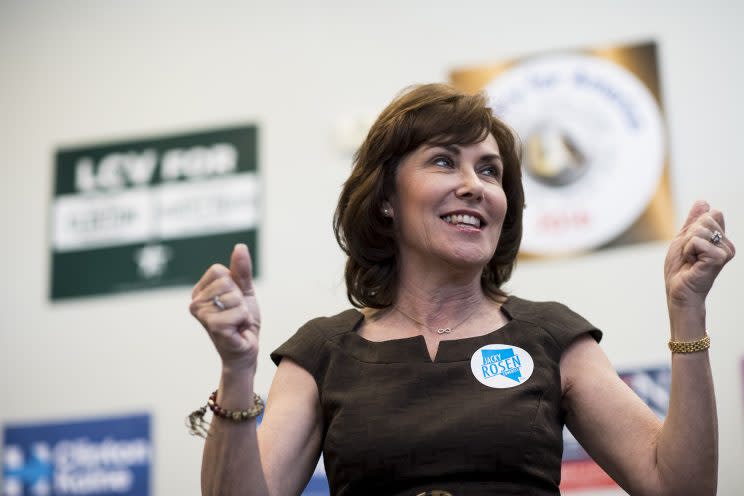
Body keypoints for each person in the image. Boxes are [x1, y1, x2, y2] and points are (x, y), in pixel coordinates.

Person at [188, 84, 735, 496]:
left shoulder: (551, 336)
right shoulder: (321, 353)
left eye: (491, 171)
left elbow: (678, 486)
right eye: (445, 161)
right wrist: (237, 371)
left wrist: (686, 311)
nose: (475, 186)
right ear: (385, 198)